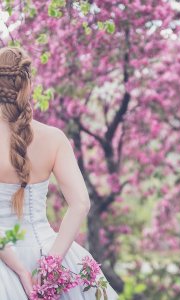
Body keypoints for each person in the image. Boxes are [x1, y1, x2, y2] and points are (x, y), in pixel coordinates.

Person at [0, 46, 119, 299]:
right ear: (27, 83)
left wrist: (20, 270)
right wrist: (52, 263)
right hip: (51, 251)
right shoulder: (54, 138)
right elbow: (80, 204)